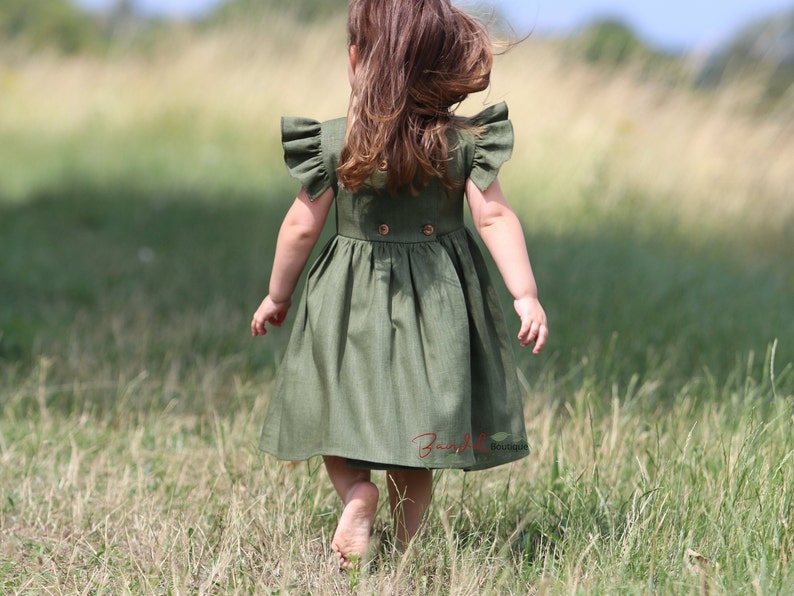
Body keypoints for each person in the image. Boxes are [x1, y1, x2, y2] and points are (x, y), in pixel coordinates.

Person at [251, 0, 548, 570]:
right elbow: (494, 219)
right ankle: (408, 550)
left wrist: (277, 294)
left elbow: (299, 225)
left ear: (360, 61)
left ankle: (356, 493)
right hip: (439, 301)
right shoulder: (463, 144)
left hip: (349, 298)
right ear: (441, 66)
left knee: (332, 407)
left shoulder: (337, 142)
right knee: (420, 430)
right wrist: (524, 293)